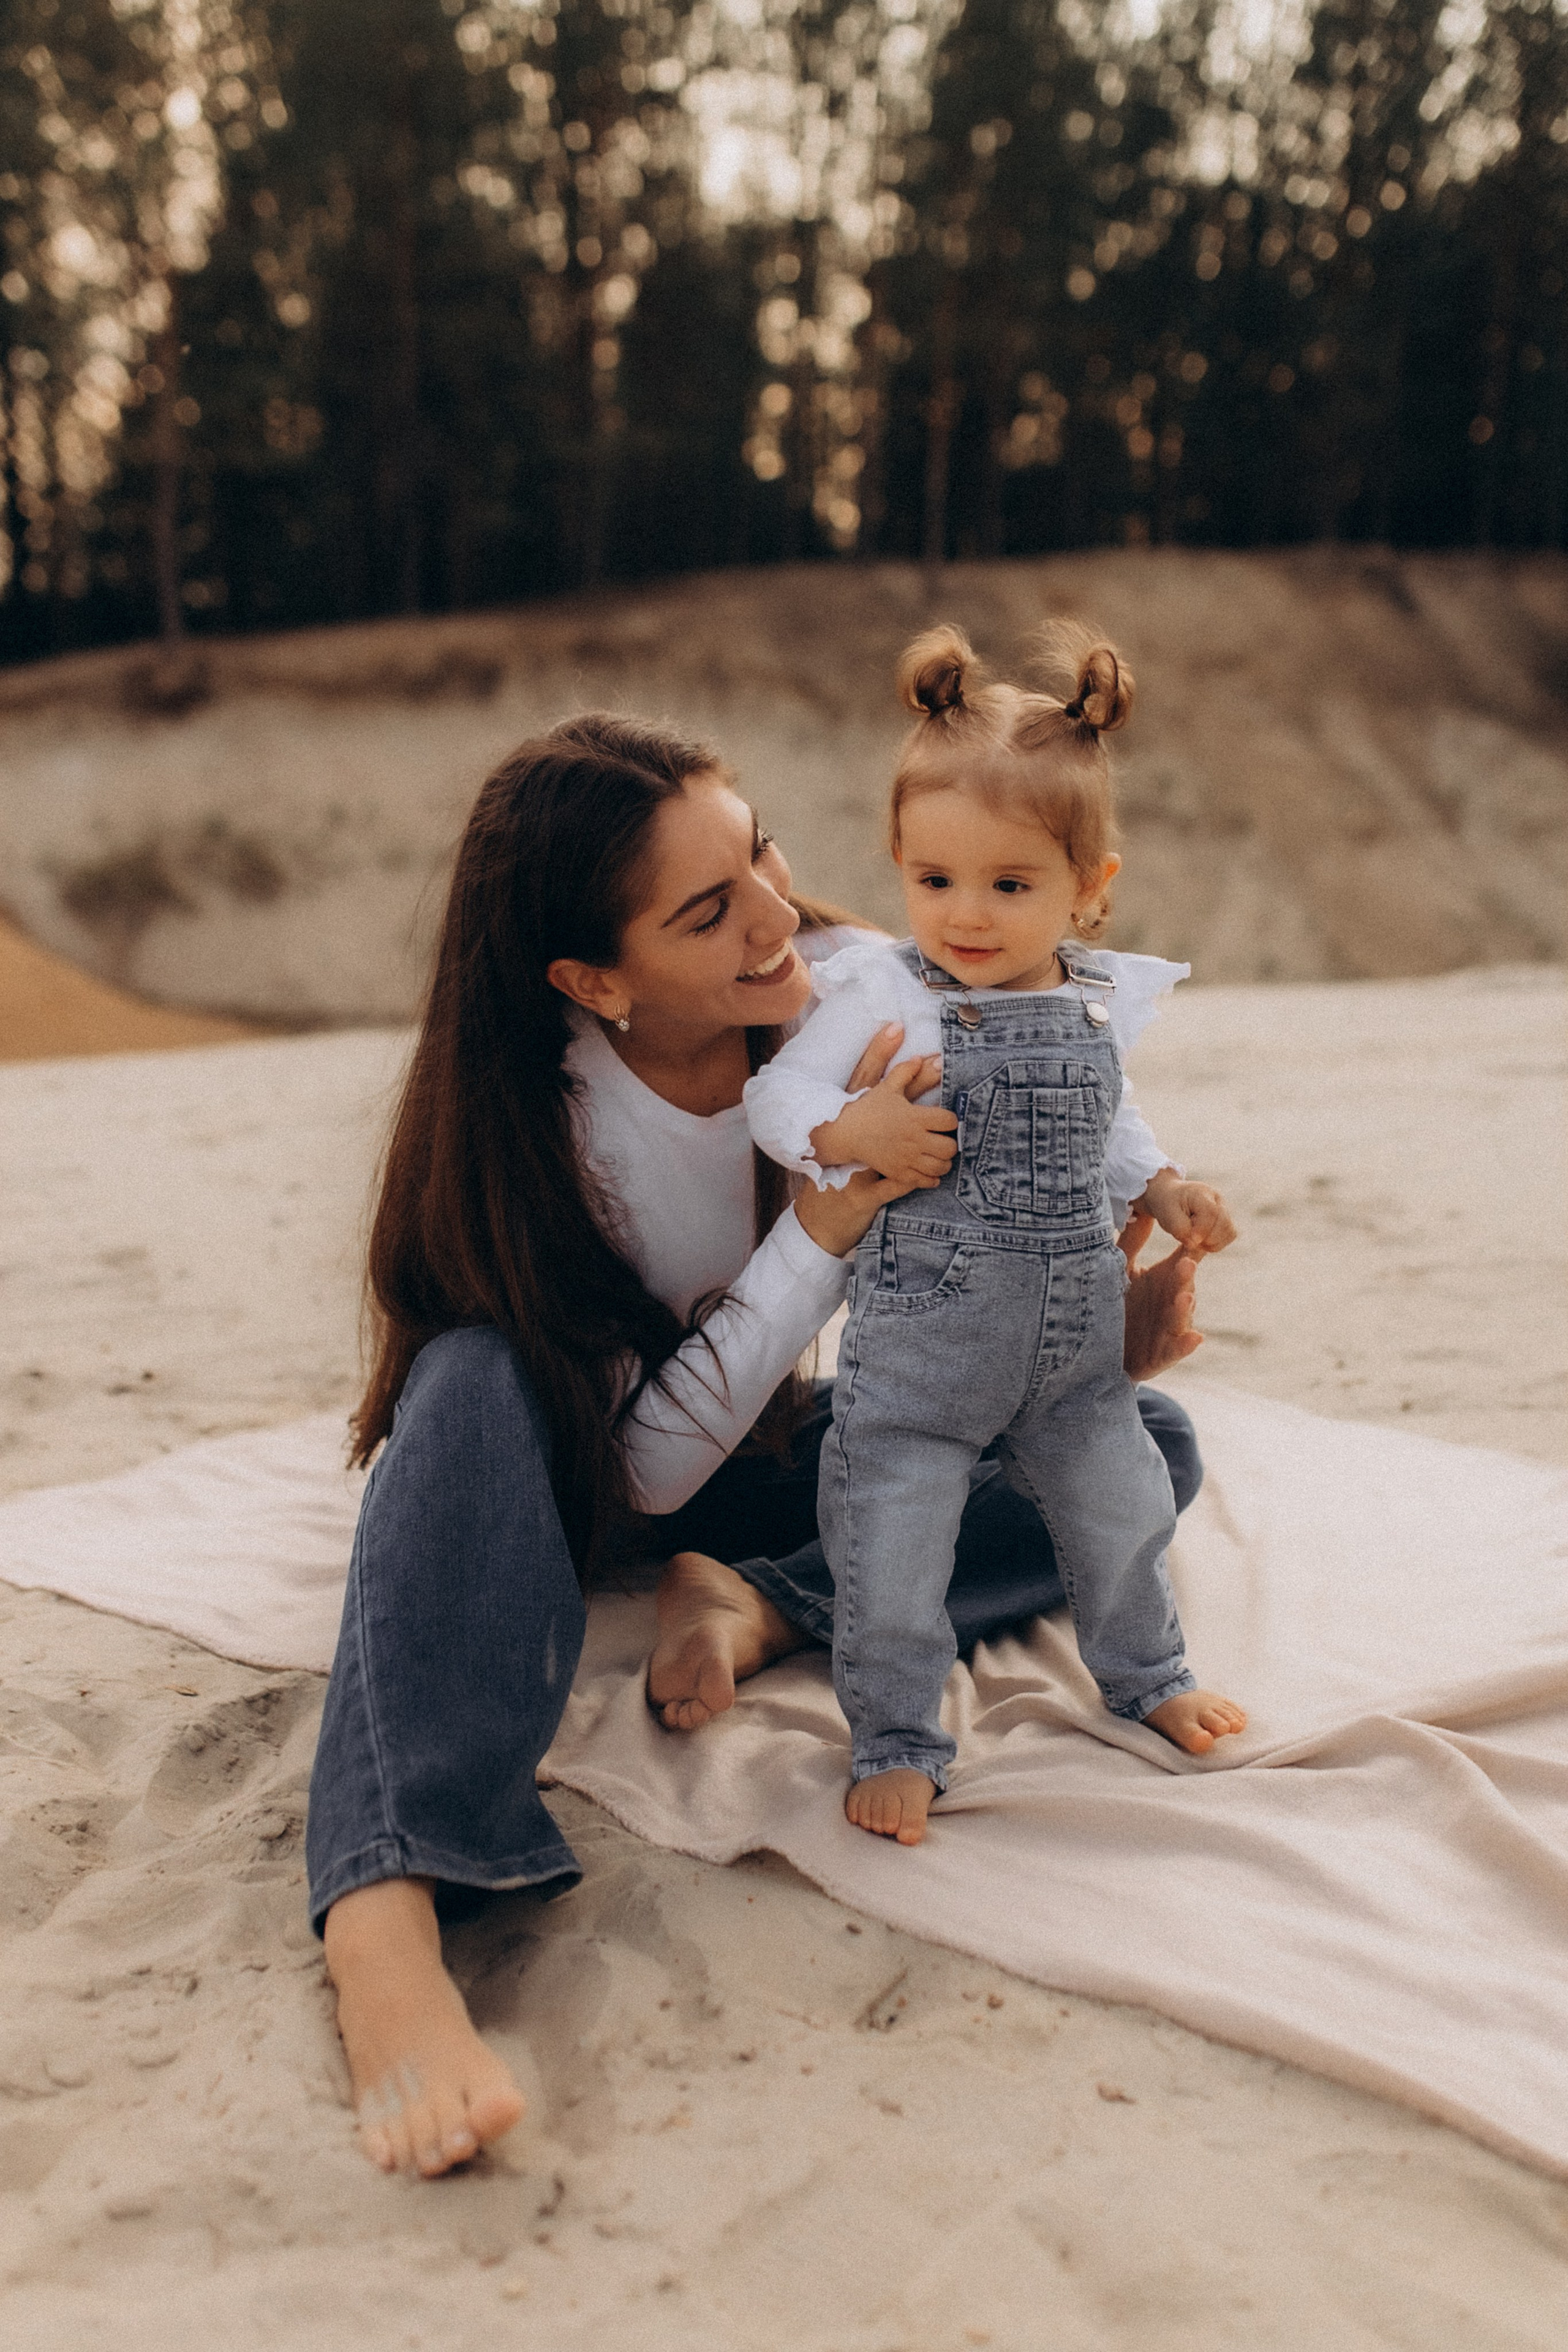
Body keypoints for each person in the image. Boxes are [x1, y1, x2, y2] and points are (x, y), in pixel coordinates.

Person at [305, 710, 1209, 2178]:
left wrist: (1109, 1321)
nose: (778, 917)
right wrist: (825, 1221)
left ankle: (764, 1596)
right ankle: (383, 1909)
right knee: (467, 1378)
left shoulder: (855, 998)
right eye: (706, 908)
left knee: (1143, 1443)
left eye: (763, 854)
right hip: (578, 1475)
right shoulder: (557, 1139)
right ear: (595, 980)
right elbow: (648, 1471)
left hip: (774, 1451)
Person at [744, 623, 1247, 1846]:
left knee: (1122, 1505)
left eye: (1008, 886)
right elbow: (774, 1103)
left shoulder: (1088, 998)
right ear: (902, 866)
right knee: (891, 1541)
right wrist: (852, 1131)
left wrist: (1166, 1185)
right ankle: (900, 1735)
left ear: (1088, 888)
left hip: (1071, 1351)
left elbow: (1110, 1119)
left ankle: (1147, 1677)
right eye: (933, 880)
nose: (964, 916)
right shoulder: (878, 991)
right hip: (920, 1356)